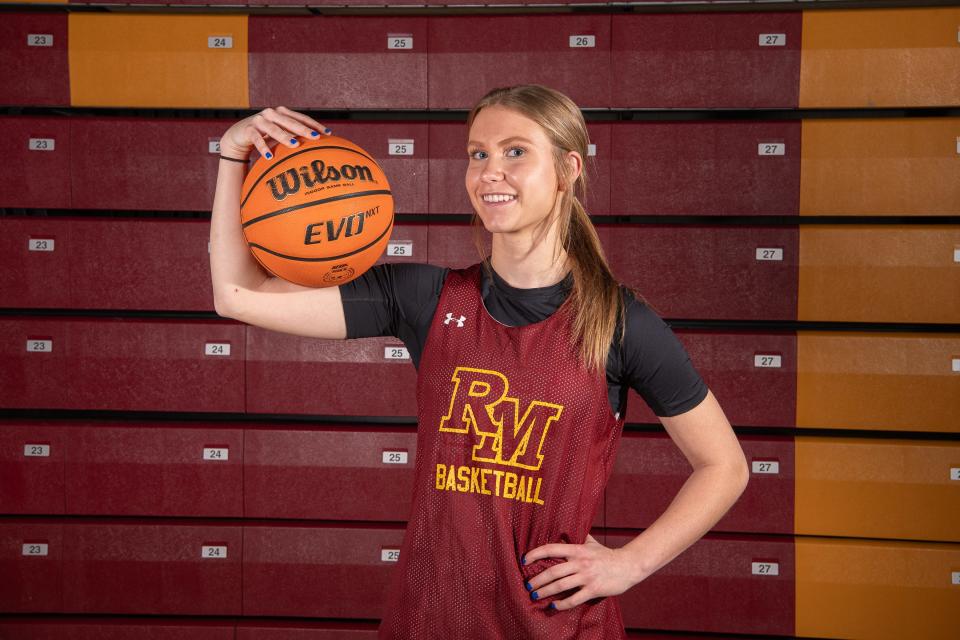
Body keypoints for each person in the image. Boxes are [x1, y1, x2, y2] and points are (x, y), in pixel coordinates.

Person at [210, 85, 749, 639]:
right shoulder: (424, 298)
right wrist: (233, 156)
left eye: (516, 151)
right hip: (431, 619)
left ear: (567, 169)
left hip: (555, 625)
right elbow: (235, 293)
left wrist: (630, 563)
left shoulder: (619, 322)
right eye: (478, 154)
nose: (491, 170)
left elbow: (725, 466)